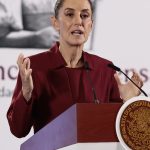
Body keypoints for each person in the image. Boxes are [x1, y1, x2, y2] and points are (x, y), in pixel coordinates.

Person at [7, 0, 143, 138]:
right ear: (55, 23)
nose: (78, 21)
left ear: (91, 25)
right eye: (70, 14)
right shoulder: (34, 66)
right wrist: (26, 94)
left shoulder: (105, 69)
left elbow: (118, 133)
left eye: (84, 16)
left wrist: (127, 102)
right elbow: (18, 130)